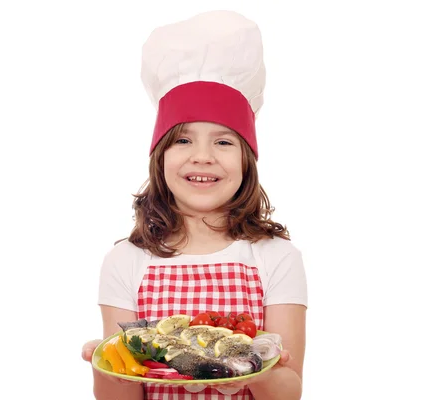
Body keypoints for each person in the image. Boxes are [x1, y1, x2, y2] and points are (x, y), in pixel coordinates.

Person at [81, 10, 308, 400]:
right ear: (160, 158)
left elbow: (289, 391)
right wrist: (107, 368)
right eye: (183, 140)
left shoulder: (277, 257)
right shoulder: (125, 261)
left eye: (223, 142)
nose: (202, 156)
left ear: (246, 161)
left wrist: (255, 373)